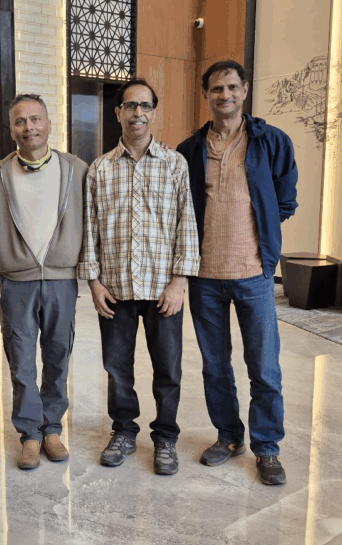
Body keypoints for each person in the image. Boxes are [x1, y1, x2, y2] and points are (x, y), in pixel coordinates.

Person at [175, 60, 298, 486]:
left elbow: (285, 200)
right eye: (216, 89)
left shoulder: (271, 141)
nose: (224, 95)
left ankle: (267, 447)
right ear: (206, 95)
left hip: (254, 274)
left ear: (244, 90)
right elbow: (182, 208)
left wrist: (262, 239)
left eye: (231, 87)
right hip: (204, 276)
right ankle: (229, 437)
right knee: (215, 366)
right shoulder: (189, 150)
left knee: (264, 367)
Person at [78, 79, 200, 476]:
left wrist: (179, 282)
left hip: (163, 289)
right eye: (130, 105)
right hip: (115, 288)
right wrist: (94, 282)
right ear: (118, 112)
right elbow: (89, 229)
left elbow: (186, 226)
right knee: (117, 369)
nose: (138, 113)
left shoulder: (174, 164)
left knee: (168, 369)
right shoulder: (99, 169)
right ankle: (124, 432)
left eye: (145, 105)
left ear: (154, 112)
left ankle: (165, 437)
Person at [0, 94, 87, 470]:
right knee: (21, 362)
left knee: (58, 356)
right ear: (11, 130)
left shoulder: (75, 169)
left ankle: (52, 429)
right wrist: (3, 249)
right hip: (17, 283)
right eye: (20, 121)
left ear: (49, 125)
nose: (29, 127)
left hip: (61, 280)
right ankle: (30, 434)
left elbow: (92, 219)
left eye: (36, 119)